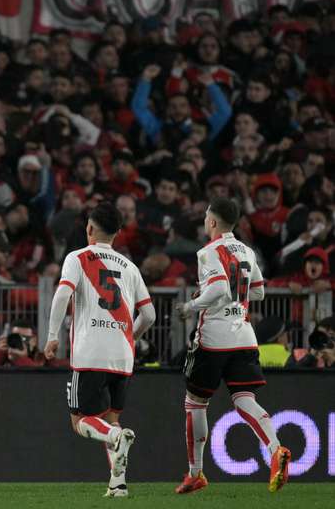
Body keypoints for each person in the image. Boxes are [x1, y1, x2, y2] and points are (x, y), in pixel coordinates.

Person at [173, 197, 291, 494]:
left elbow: (218, 288)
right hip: (244, 335)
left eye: (205, 218)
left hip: (214, 337)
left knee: (196, 403)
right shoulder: (248, 251)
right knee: (243, 398)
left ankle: (196, 473)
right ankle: (275, 449)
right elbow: (261, 293)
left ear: (212, 221)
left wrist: (191, 305)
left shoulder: (207, 252)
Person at [44, 202, 156, 498]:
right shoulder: (130, 267)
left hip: (90, 352)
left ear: (90, 228)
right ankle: (118, 485)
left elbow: (62, 294)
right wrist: (130, 337)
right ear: (118, 233)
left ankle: (115, 437)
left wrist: (52, 336)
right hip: (123, 356)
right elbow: (150, 315)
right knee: (111, 417)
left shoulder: (78, 258)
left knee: (81, 422)